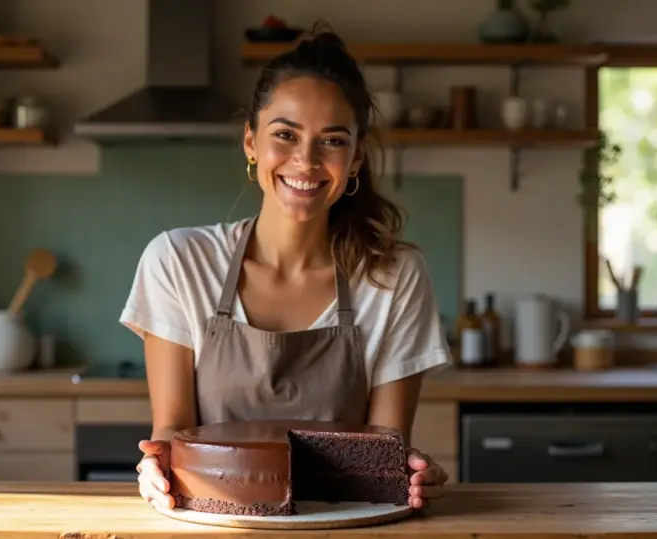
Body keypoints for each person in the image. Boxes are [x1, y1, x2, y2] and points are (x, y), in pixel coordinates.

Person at [121, 27, 453, 512]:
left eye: (333, 140)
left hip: (343, 524)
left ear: (356, 157)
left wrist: (408, 473)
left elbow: (385, 449)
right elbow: (171, 434)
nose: (306, 160)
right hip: (215, 524)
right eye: (285, 134)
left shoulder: (394, 276)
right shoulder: (178, 261)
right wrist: (157, 467)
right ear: (251, 142)